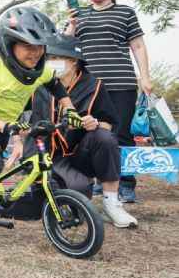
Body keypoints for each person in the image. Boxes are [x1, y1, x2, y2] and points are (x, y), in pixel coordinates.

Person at [0, 6, 84, 236]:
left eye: (40, 47)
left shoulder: (39, 70)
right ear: (9, 45)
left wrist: (71, 111)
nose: (35, 53)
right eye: (28, 46)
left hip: (8, 125)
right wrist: (7, 127)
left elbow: (57, 87)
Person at [29, 35, 137, 227]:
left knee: (105, 138)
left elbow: (107, 123)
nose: (49, 63)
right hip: (45, 154)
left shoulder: (94, 86)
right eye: (48, 58)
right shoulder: (38, 84)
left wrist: (94, 123)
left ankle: (111, 206)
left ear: (72, 61)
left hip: (78, 154)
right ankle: (58, 189)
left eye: (55, 58)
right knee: (75, 195)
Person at [65, 0, 152, 203]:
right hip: (88, 87)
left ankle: (125, 184)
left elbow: (138, 46)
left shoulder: (125, 12)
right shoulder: (81, 14)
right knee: (90, 134)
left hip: (120, 82)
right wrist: (71, 24)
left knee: (122, 134)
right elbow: (65, 47)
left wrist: (145, 77)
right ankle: (94, 181)